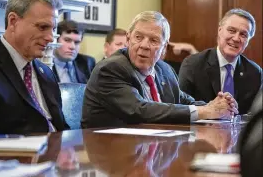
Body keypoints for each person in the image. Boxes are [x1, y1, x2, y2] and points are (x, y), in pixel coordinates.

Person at [82, 11, 238, 128]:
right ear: (128, 40)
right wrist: (206, 111)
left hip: (150, 150)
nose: (144, 45)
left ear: (164, 47)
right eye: (138, 37)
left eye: (154, 40)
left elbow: (182, 100)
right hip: (109, 152)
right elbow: (140, 109)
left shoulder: (164, 69)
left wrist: (217, 106)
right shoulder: (110, 69)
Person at [0, 0, 69, 134]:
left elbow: (61, 127)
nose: (50, 38)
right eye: (42, 27)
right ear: (13, 21)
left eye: (52, 29)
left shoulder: (46, 72)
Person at [179, 8, 263, 115]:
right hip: (201, 129)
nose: (236, 38)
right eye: (231, 30)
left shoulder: (255, 72)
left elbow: (255, 114)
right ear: (220, 30)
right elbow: (181, 105)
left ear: (248, 40)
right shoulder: (192, 64)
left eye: (243, 34)